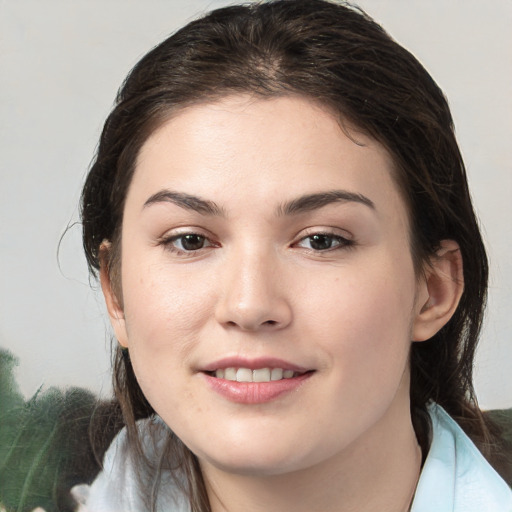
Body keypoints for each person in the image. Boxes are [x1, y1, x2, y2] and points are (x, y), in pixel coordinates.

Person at [77, 0, 512, 510]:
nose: (248, 305)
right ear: (116, 291)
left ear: (433, 291)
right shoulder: (103, 480)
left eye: (321, 240)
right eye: (190, 240)